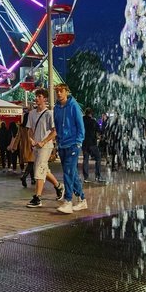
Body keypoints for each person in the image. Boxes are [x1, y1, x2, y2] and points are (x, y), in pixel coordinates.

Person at [25, 89, 66, 208]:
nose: (37, 98)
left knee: (38, 169)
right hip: (36, 146)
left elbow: (54, 132)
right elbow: (29, 130)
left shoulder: (49, 114)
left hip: (46, 146)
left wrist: (43, 142)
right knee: (44, 170)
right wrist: (31, 139)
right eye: (36, 96)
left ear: (45, 99)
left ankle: (37, 197)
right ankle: (59, 186)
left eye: (39, 96)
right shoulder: (32, 113)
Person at [53, 83, 86, 214]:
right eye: (57, 91)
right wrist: (58, 142)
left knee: (67, 172)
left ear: (66, 91)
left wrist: (78, 142)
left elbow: (80, 125)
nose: (59, 93)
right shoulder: (56, 108)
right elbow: (57, 125)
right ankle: (82, 199)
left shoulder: (73, 106)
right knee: (72, 173)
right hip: (62, 145)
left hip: (73, 144)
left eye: (61, 91)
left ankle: (68, 201)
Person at [81, 107, 103, 182]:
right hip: (92, 143)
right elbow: (99, 130)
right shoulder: (93, 121)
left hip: (84, 143)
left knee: (85, 160)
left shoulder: (81, 121)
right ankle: (97, 176)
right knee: (98, 158)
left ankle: (86, 177)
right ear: (91, 113)